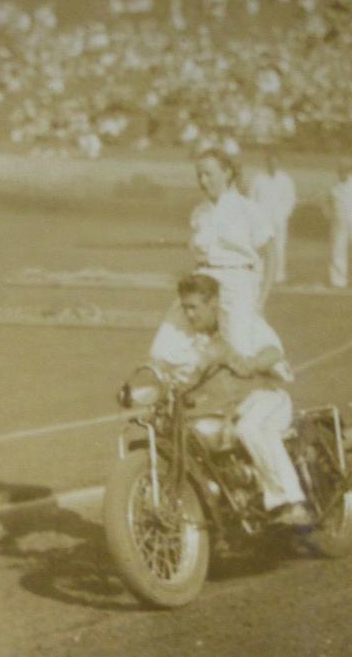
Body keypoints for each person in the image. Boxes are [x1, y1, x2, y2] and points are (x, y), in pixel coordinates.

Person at [150, 273, 308, 526]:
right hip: (224, 409)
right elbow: (164, 361)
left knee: (249, 427)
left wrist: (249, 363)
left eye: (194, 307)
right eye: (185, 307)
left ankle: (290, 502)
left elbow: (273, 350)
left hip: (263, 397)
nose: (189, 314)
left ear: (213, 303)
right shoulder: (186, 336)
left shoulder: (240, 322)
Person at [187, 147, 278, 356]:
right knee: (180, 347)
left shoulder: (249, 210)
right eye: (199, 175)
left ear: (227, 173)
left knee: (239, 351)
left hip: (237, 286)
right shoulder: (199, 213)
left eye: (208, 174)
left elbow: (271, 256)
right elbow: (200, 258)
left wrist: (260, 301)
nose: (203, 181)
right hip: (202, 287)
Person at [249, 151, 296, 283]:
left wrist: (284, 214)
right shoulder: (258, 179)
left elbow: (291, 199)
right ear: (266, 163)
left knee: (279, 247)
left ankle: (278, 274)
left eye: (275, 163)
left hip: (279, 219)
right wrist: (256, 217)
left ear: (278, 163)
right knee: (260, 246)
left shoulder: (285, 180)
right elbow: (251, 199)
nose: (272, 165)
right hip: (261, 220)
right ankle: (260, 274)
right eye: (270, 163)